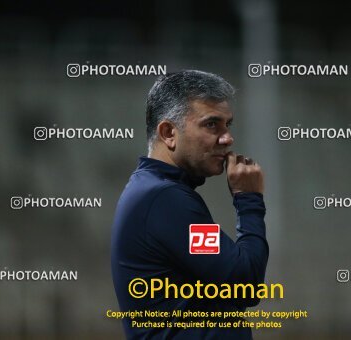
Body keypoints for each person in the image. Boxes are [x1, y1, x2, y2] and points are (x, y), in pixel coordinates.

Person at [111, 70, 269, 339]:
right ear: (169, 132)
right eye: (211, 125)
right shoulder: (164, 200)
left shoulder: (156, 192)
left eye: (228, 125)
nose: (227, 138)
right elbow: (245, 284)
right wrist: (249, 200)